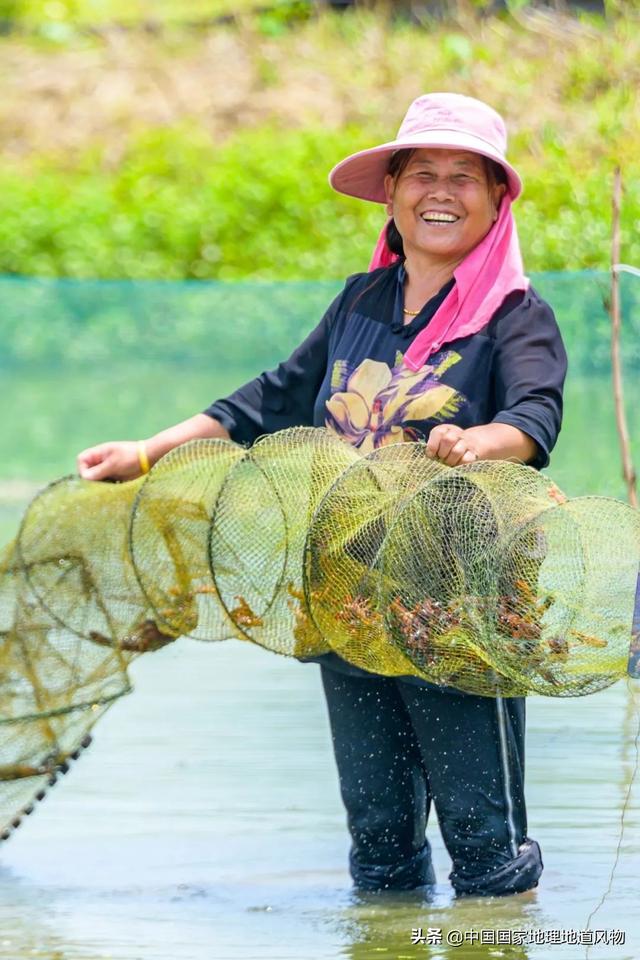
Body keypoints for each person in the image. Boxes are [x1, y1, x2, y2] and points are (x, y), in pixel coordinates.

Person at [77, 93, 567, 896]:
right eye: (422, 174)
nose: (440, 191)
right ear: (393, 192)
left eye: (463, 177)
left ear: (495, 200)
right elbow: (267, 399)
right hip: (346, 600)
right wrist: (143, 451)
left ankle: (495, 942)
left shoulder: (516, 316)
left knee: (486, 849)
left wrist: (481, 442)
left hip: (458, 610)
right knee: (377, 842)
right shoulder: (359, 304)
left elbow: (535, 415)